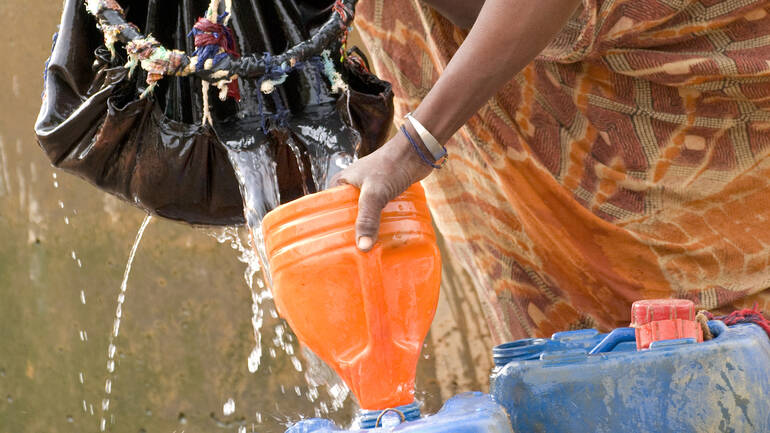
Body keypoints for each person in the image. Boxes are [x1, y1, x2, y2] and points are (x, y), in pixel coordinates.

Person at [333, 0, 770, 342]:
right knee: (556, 373)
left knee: (718, 357)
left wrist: (415, 146)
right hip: (484, 149)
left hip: (679, 134)